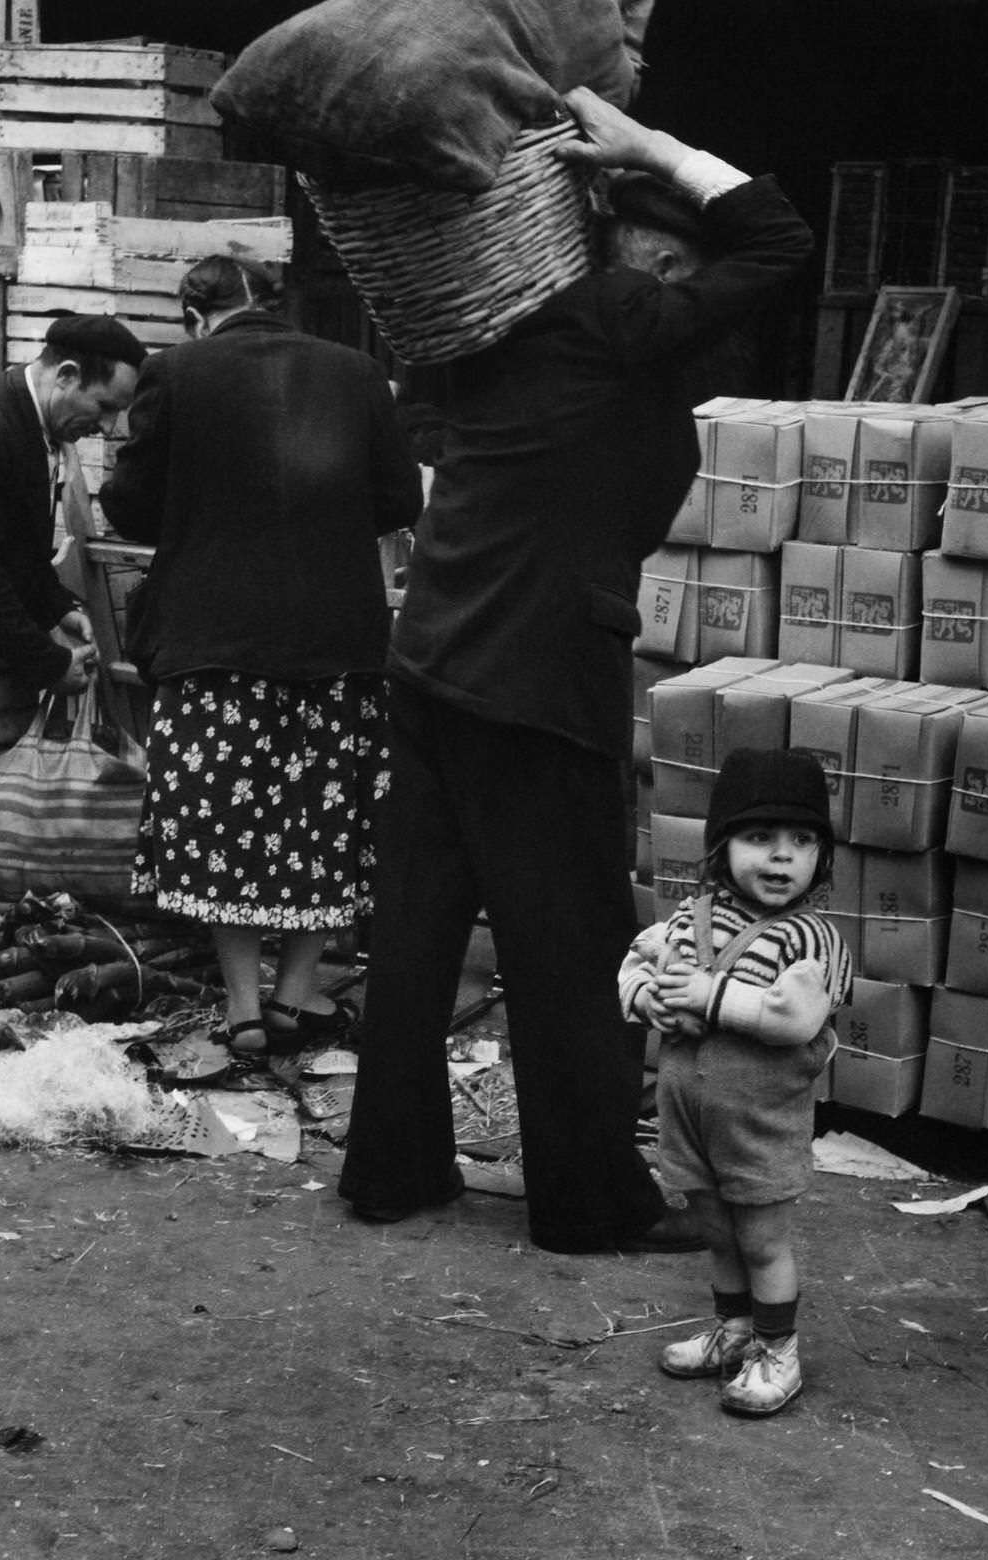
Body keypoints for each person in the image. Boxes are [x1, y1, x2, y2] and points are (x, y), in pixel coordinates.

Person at [337, 85, 815, 1253]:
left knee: (415, 932)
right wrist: (655, 143)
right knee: (573, 948)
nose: (679, 279)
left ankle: (392, 1170)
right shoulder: (615, 320)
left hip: (437, 657)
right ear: (622, 243)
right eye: (664, 253)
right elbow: (783, 238)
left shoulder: (497, 326)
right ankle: (588, 1202)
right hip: (536, 680)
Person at [99, 255, 422, 1064]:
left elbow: (131, 505)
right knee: (322, 818)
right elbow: (400, 500)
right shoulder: (356, 373)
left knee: (224, 824)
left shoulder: (176, 372)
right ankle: (291, 1001)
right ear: (276, 305)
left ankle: (242, 1012)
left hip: (216, 639)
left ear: (193, 313)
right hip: (337, 640)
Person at [0, 313, 146, 1029]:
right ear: (66, 375)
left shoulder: (15, 423)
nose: (102, 427)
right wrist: (47, 664)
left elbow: (10, 547)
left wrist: (56, 607)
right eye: (102, 408)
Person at [618, 748, 853, 1416]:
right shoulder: (692, 917)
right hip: (690, 1113)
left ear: (821, 859)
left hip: (760, 1121)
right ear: (722, 848)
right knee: (717, 1231)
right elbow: (636, 962)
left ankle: (780, 1352)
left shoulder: (813, 939)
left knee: (761, 1239)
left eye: (802, 841)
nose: (782, 857)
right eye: (760, 838)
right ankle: (736, 1329)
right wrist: (648, 1000)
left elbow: (795, 1016)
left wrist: (707, 994)